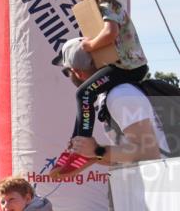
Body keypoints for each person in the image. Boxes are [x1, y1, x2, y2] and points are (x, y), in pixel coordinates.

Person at [51, 0, 150, 175]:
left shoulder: (106, 5)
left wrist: (88, 45)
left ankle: (82, 145)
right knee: (85, 94)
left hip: (128, 67)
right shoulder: (101, 6)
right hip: (125, 66)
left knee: (84, 93)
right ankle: (77, 145)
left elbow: (110, 33)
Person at [56, 37, 168, 168]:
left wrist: (97, 150)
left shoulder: (119, 95)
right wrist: (93, 156)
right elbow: (127, 156)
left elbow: (149, 153)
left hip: (163, 183)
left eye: (66, 72)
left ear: (76, 71)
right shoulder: (110, 96)